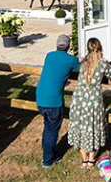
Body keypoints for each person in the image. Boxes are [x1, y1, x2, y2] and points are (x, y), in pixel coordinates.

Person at [68, 38, 111, 168]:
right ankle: (91, 159)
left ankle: (84, 159)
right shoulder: (103, 63)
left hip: (79, 99)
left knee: (80, 126)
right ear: (99, 47)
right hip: (94, 100)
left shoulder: (83, 62)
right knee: (94, 126)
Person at [35, 34, 80, 168]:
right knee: (51, 130)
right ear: (68, 46)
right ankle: (47, 159)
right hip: (53, 102)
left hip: (40, 97)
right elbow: (81, 69)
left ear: (56, 45)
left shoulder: (49, 55)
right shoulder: (71, 59)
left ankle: (48, 151)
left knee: (47, 127)